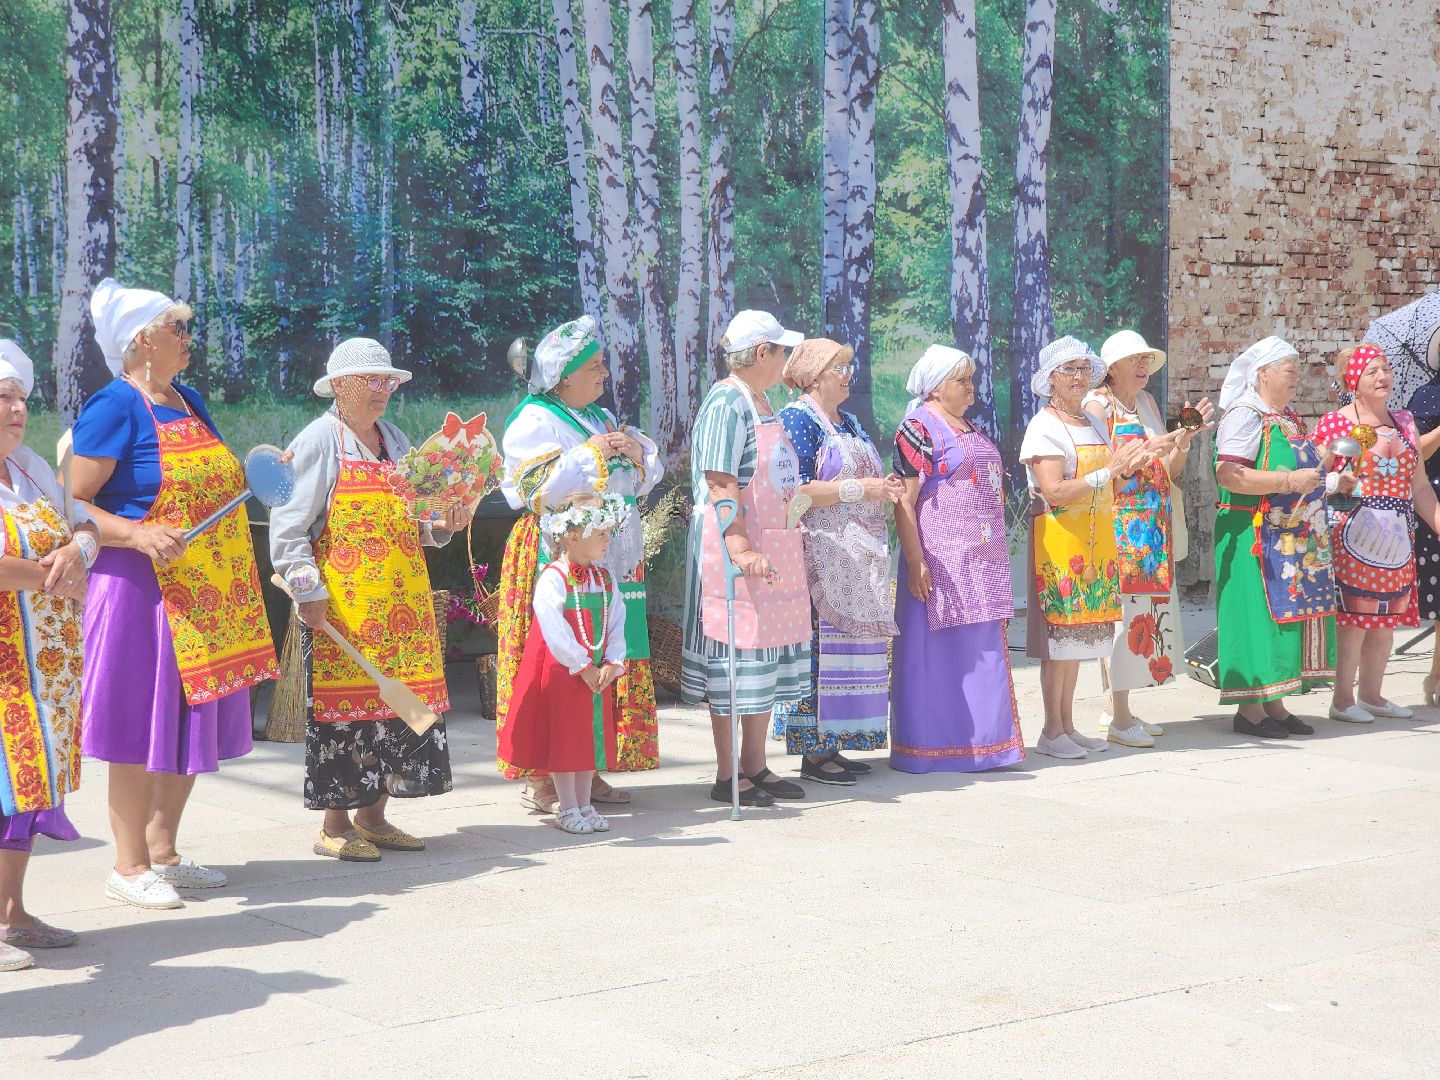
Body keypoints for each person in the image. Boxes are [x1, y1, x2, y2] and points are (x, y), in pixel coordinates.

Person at [72, 279, 279, 909]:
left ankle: (162, 852)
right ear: (142, 340)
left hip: (206, 594)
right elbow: (72, 502)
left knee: (190, 720)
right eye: (177, 328)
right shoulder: (114, 405)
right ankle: (129, 865)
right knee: (139, 724)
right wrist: (136, 533)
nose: (189, 339)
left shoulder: (187, 399)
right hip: (141, 592)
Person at [271, 338, 467, 861]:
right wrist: (307, 591)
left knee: (403, 710)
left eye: (389, 381)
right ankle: (335, 826)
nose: (384, 389)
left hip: (404, 606)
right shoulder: (318, 441)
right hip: (345, 608)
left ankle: (374, 819)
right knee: (347, 714)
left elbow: (417, 517)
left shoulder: (396, 439)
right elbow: (289, 527)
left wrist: (444, 522)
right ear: (340, 386)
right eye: (372, 380)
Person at [496, 316, 663, 814]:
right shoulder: (534, 421)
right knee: (559, 662)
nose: (604, 374)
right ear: (563, 377)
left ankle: (587, 768)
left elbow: (639, 479)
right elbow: (535, 491)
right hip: (559, 554)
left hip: (605, 554)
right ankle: (544, 778)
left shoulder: (598, 416)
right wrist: (593, 454)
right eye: (594, 367)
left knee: (604, 648)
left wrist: (635, 453)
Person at [682, 310, 810, 806]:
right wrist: (739, 545)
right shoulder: (726, 404)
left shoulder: (762, 400)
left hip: (770, 546)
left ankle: (755, 765)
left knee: (765, 656)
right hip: (733, 547)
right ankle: (727, 775)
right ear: (761, 353)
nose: (786, 359)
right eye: (782, 350)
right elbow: (720, 481)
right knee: (735, 658)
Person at [0, 341, 95, 970]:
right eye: (2, 398)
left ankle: (11, 913)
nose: (17, 409)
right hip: (5, 666)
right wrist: (50, 576)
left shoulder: (31, 466)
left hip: (47, 671)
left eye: (21, 399)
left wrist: (77, 552)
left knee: (26, 788)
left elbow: (82, 523)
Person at [890, 345, 1026, 772]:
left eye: (971, 378)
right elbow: (904, 501)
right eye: (961, 380)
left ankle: (986, 748)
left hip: (980, 564)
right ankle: (930, 750)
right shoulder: (917, 428)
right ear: (935, 388)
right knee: (936, 660)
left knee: (979, 653)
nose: (971, 387)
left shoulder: (969, 426)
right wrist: (916, 561)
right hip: (938, 566)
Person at [770, 339, 901, 784]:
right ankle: (813, 751)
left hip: (856, 556)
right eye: (838, 368)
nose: (848, 376)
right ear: (812, 376)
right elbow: (796, 490)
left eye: (849, 367)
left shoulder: (851, 421)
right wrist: (860, 489)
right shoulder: (797, 419)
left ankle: (835, 741)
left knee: (850, 651)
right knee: (819, 652)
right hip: (821, 553)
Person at [1021, 336, 1152, 760]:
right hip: (1059, 541)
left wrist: (1131, 466)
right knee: (1058, 642)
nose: (1078, 377)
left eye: (1083, 369)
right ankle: (1050, 729)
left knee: (1078, 643)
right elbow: (1054, 490)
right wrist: (1107, 473)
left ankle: (1068, 726)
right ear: (1050, 379)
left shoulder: (1093, 424)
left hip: (1096, 541)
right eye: (1069, 370)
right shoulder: (1044, 426)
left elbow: (1113, 481)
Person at [1213, 337, 1350, 738]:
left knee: (1283, 620)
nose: (1296, 379)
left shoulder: (1287, 417)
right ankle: (1249, 710)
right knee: (1256, 617)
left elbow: (1301, 472)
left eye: (1297, 371)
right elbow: (1229, 474)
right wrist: (1288, 481)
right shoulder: (1245, 414)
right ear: (1263, 374)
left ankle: (1275, 702)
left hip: (1290, 538)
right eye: (1289, 371)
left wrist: (1330, 481)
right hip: (1252, 536)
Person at [1083, 330, 1213, 747]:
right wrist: (1152, 446)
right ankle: (1120, 718)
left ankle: (1115, 709)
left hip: (1152, 529)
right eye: (1133, 359)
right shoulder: (1097, 406)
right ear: (1112, 368)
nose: (1142, 366)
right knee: (1121, 619)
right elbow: (1101, 469)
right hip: (1118, 527)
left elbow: (1169, 471)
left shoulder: (1146, 403)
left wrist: (1183, 442)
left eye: (1146, 360)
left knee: (1143, 616)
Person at [1312, 344, 1440, 722]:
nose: (1383, 376)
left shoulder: (1405, 422)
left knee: (1387, 621)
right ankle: (1342, 701)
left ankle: (1372, 695)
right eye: (1372, 371)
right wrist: (1335, 480)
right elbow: (1315, 474)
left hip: (1398, 535)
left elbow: (1419, 486)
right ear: (1353, 380)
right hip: (1353, 531)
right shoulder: (1335, 423)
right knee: (1354, 620)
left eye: (1385, 369)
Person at [498, 493, 629, 834]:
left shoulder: (604, 578)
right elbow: (553, 627)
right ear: (572, 536)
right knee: (565, 738)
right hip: (564, 670)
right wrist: (582, 664)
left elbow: (617, 620)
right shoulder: (554, 577)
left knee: (588, 738)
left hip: (596, 671)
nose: (608, 540)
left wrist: (612, 661)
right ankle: (567, 806)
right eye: (601, 533)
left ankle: (584, 804)